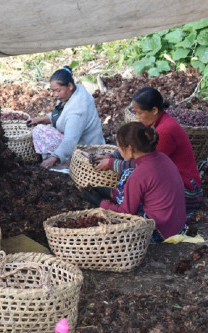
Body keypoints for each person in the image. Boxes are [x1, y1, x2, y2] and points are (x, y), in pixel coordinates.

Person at [94, 87, 203, 215]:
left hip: (186, 191)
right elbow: (133, 142)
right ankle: (112, 195)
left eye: (139, 113)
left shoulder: (165, 131)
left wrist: (111, 163)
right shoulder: (154, 123)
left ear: (154, 110)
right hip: (168, 180)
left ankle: (112, 199)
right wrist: (111, 155)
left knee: (133, 180)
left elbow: (143, 167)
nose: (137, 117)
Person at [85, 122, 187, 242]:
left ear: (129, 149)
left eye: (119, 147)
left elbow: (125, 214)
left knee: (127, 175)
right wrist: (108, 192)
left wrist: (99, 202)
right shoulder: (163, 158)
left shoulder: (138, 174)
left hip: (159, 232)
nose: (118, 151)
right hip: (179, 227)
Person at [26, 66, 105, 169]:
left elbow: (70, 140)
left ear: (70, 86)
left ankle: (67, 164)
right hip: (83, 140)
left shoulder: (77, 109)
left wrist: (54, 158)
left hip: (87, 149)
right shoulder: (73, 91)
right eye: (53, 91)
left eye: (58, 90)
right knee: (39, 127)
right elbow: (59, 115)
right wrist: (37, 120)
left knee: (39, 131)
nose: (55, 94)